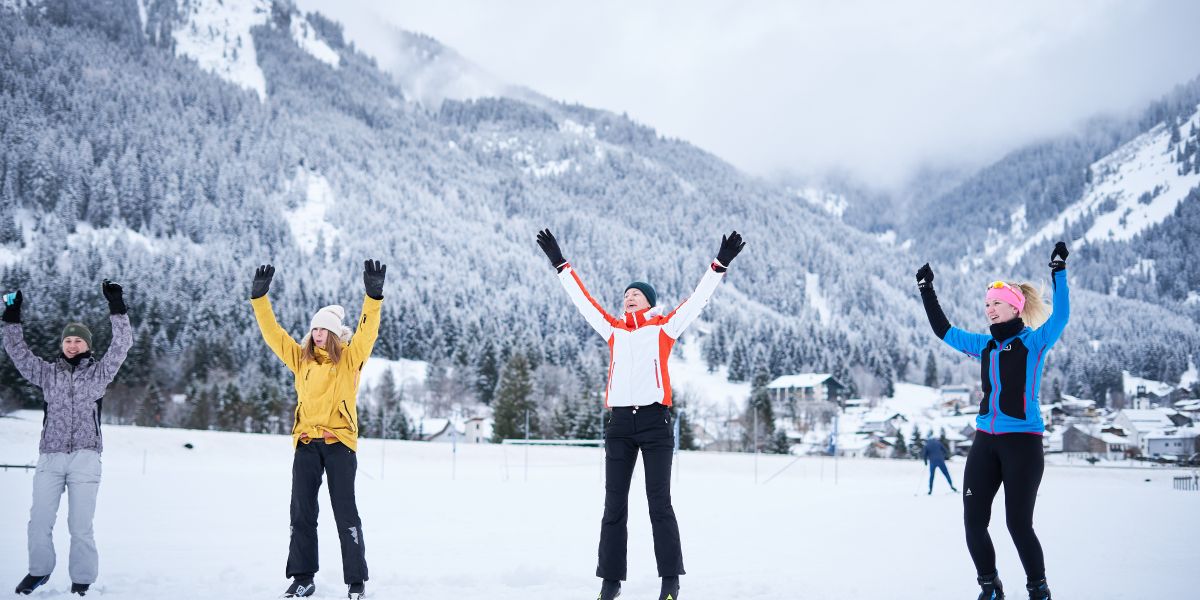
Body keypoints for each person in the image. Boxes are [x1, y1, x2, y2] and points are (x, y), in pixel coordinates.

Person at [537, 229, 745, 600]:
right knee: (613, 505)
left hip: (654, 424)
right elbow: (583, 302)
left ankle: (670, 581)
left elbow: (698, 300)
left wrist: (720, 264)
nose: (628, 298)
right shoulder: (613, 330)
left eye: (635, 294)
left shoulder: (663, 327)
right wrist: (559, 263)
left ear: (648, 302)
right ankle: (611, 582)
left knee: (658, 502)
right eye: (625, 295)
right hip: (619, 425)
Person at [916, 241, 1069, 600]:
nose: (989, 309)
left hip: (1023, 444)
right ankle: (990, 585)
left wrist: (1058, 271)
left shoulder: (1034, 342)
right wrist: (927, 290)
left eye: (996, 303)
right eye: (986, 304)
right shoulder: (984, 345)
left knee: (1017, 524)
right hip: (985, 441)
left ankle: (1039, 589)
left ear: (1015, 307)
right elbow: (944, 330)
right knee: (973, 522)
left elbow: (1059, 317)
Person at [250, 261, 385, 600]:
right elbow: (273, 334)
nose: (317, 333)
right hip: (307, 444)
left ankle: (356, 581)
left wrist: (373, 296)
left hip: (339, 443)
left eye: (323, 329)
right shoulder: (300, 360)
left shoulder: (350, 360)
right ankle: (302, 578)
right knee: (302, 513)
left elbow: (367, 333)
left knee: (345, 512)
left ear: (334, 333)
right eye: (314, 329)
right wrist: (259, 299)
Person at [3, 282, 132, 597]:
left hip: (85, 458)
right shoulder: (47, 374)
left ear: (87, 346)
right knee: (39, 521)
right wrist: (11, 314)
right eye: (68, 340)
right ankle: (39, 571)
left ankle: (82, 579)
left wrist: (117, 307)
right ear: (62, 345)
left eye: (78, 341)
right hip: (50, 456)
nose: (73, 345)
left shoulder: (99, 374)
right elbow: (16, 351)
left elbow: (122, 344)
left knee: (80, 526)